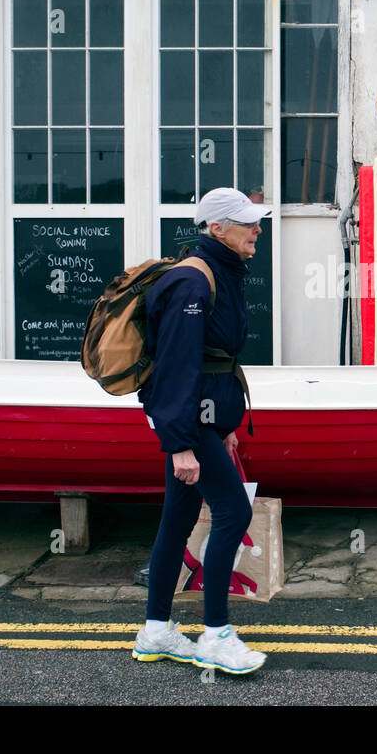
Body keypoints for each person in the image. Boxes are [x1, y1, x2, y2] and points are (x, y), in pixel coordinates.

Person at [132, 187, 270, 675]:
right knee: (233, 510)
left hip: (203, 422)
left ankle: (155, 631)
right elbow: (175, 368)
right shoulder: (193, 282)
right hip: (187, 425)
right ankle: (214, 635)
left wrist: (224, 426)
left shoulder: (219, 273)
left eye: (256, 221)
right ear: (217, 228)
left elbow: (213, 363)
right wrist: (181, 445)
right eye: (247, 223)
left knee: (179, 516)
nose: (257, 229)